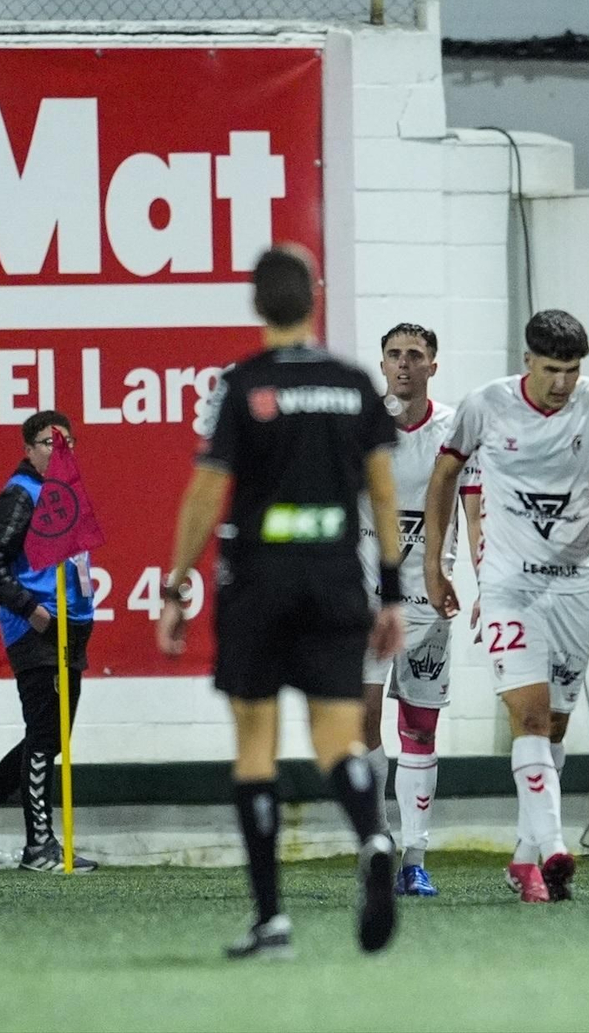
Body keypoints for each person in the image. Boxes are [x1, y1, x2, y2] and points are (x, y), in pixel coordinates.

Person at [156, 246, 405, 960]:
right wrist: (389, 593)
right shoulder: (356, 386)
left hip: (259, 585)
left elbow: (206, 494)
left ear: (258, 305)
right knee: (338, 740)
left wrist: (175, 587)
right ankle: (374, 837)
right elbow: (383, 494)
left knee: (255, 745)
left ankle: (272, 922)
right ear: (313, 301)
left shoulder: (244, 387)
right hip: (335, 582)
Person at [423, 309, 589, 903]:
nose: (564, 382)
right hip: (510, 584)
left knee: (555, 724)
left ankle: (525, 858)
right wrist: (436, 565)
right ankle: (555, 847)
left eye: (573, 370)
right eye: (553, 369)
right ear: (527, 360)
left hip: (576, 584)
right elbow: (444, 478)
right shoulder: (486, 405)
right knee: (528, 715)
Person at [0, 411, 99, 874]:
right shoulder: (20, 496)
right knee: (47, 737)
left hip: (71, 629)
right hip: (38, 631)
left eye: (67, 442)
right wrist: (31, 609)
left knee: (50, 738)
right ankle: (38, 846)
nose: (59, 449)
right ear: (28, 448)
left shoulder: (64, 496)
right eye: (49, 442)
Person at [358, 323, 483, 898]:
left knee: (419, 727)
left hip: (430, 598)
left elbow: (476, 514)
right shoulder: (363, 425)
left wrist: (489, 586)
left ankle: (415, 856)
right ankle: (379, 842)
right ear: (382, 364)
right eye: (393, 355)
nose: (403, 364)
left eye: (415, 356)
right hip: (367, 597)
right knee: (361, 723)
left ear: (433, 365)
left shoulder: (456, 428)